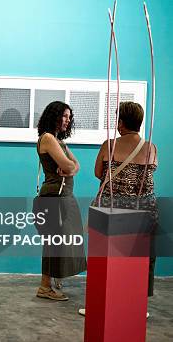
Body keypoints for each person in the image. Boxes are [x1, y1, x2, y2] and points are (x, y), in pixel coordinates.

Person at [92, 101, 158, 296]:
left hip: (112, 209)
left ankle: (104, 301)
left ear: (120, 122)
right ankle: (137, 305)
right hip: (144, 210)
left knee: (108, 258)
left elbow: (98, 173)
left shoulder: (109, 145)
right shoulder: (151, 148)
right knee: (141, 259)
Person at [35, 101, 87, 301]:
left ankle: (49, 283)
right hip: (54, 197)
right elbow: (68, 164)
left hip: (62, 196)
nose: (68, 120)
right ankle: (44, 287)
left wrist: (70, 167)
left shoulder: (59, 141)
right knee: (52, 243)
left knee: (59, 242)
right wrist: (69, 166)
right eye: (64, 116)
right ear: (54, 116)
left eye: (69, 117)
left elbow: (76, 166)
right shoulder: (47, 138)